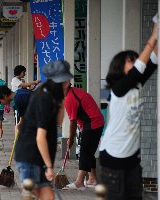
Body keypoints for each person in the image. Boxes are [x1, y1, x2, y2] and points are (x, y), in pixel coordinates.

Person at [99, 22, 158, 200]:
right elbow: (141, 66)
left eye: (135, 60)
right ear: (119, 66)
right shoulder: (118, 89)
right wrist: (153, 36)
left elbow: (154, 59)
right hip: (113, 158)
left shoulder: (136, 84)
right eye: (130, 61)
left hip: (132, 158)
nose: (135, 63)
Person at [15, 60, 69, 199]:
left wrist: (62, 100)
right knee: (38, 196)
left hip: (38, 157)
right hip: (31, 156)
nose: (68, 83)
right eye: (66, 80)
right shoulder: (44, 98)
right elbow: (40, 137)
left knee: (47, 196)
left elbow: (58, 122)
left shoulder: (51, 95)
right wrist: (49, 166)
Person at [62, 83, 104, 190]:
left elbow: (73, 122)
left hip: (92, 123)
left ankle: (79, 182)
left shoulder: (70, 99)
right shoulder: (74, 91)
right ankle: (92, 179)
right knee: (89, 151)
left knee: (84, 151)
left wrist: (70, 139)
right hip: (94, 122)